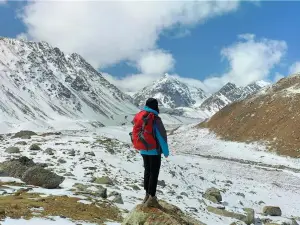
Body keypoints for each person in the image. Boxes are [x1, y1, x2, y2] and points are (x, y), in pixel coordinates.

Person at [130, 98, 169, 208]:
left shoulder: (141, 115)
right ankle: (152, 196)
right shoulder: (154, 118)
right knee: (154, 173)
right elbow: (162, 136)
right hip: (154, 151)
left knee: (147, 170)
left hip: (143, 149)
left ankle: (146, 194)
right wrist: (165, 152)